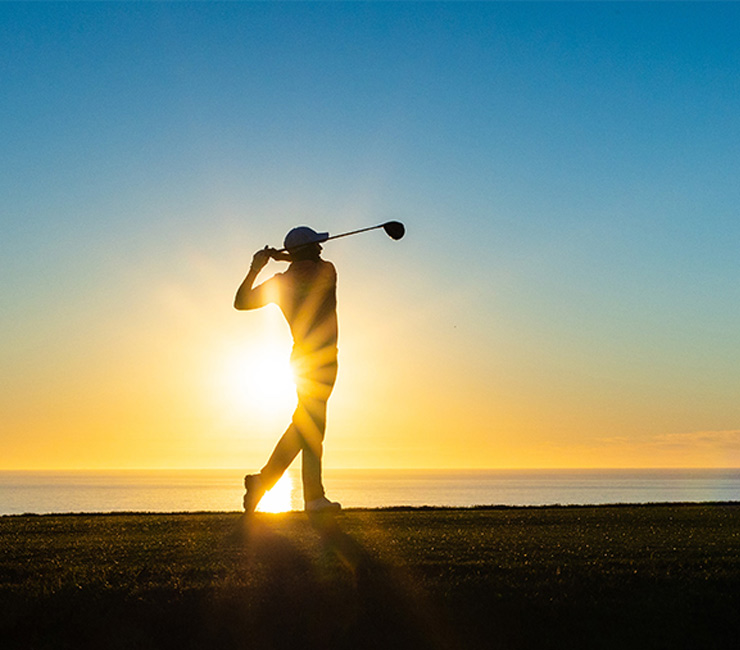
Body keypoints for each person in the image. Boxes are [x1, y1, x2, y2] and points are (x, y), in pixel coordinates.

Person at [234, 226, 341, 514]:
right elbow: (314, 265)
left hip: (302, 359)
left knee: (306, 424)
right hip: (324, 360)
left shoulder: (282, 283)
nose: (321, 249)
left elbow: (240, 302)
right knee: (312, 426)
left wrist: (257, 268)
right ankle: (312, 498)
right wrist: (285, 258)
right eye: (316, 245)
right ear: (309, 250)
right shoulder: (327, 271)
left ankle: (263, 482)